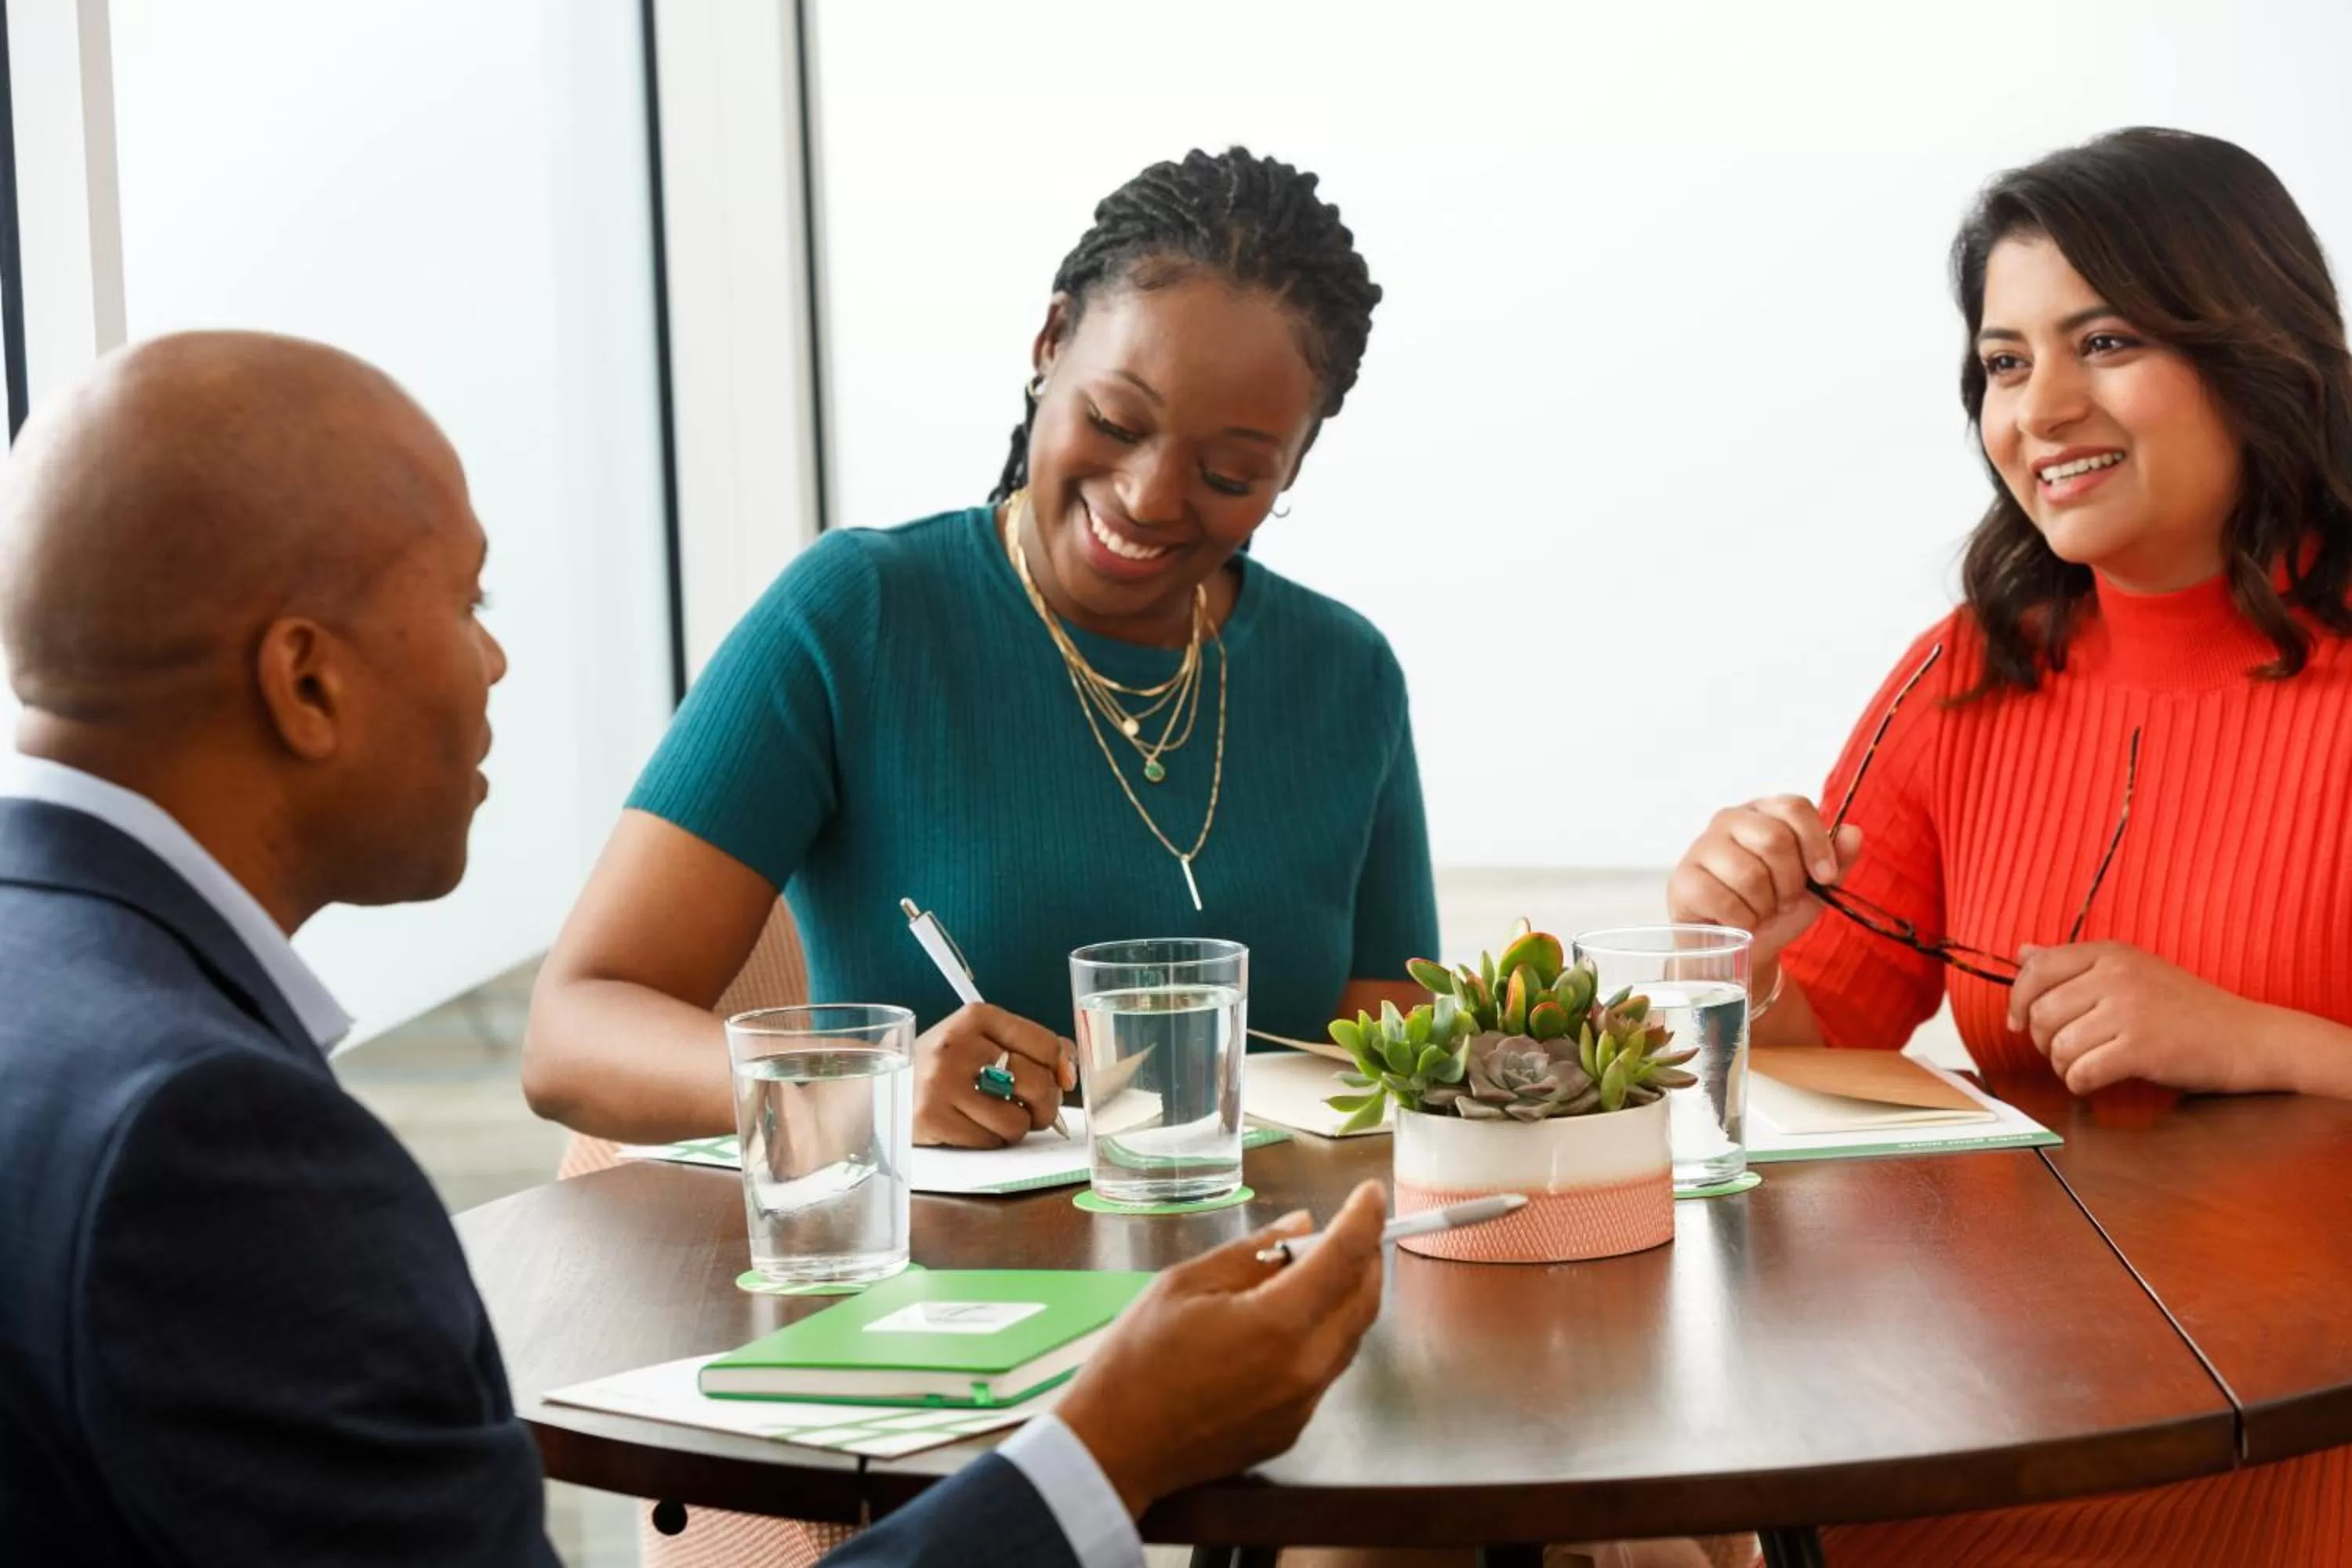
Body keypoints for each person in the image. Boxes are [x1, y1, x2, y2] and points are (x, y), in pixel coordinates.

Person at [0, 331, 1392, 1568]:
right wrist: (1106, 1452)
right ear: (305, 679)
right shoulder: (215, 1144)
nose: (495, 667)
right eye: (472, 603)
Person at [1668, 128, 2352, 1563]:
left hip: (2303, 1444)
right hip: (1992, 1419)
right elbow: (1816, 1046)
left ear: (2255, 347)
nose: (2041, 408)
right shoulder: (1966, 674)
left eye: (2101, 341)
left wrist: (2262, 1042)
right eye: (2003, 361)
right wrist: (1742, 951)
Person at [524, 145, 1436, 1160]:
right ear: (1051, 343)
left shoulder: (1345, 677)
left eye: (1229, 473)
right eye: (1114, 420)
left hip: (1254, 1284)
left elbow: (1382, 1086)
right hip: (934, 1303)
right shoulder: (859, 617)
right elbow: (573, 1033)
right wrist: (863, 1091)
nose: (1147, 497)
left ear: (1294, 462)